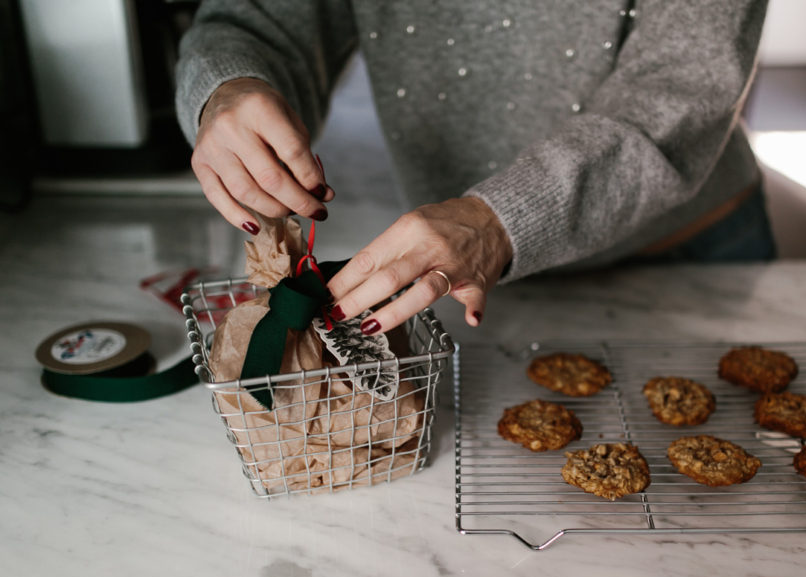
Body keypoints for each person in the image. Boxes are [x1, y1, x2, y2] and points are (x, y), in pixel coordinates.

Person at [176, 0, 773, 337]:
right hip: (465, 276)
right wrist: (229, 84)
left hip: (680, 247)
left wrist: (501, 221)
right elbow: (259, 19)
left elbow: (682, 83)